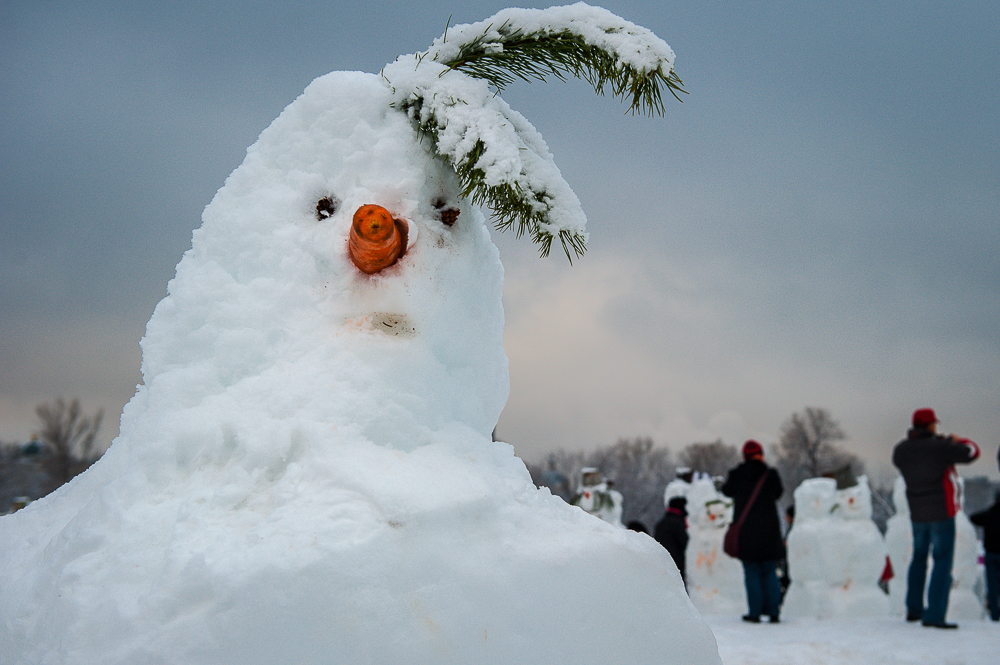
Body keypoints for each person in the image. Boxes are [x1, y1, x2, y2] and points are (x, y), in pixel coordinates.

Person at [891, 407, 980, 629]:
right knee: (941, 562)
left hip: (917, 513)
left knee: (918, 559)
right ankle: (935, 614)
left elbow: (903, 461)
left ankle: (914, 609)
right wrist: (958, 440)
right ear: (930, 425)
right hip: (941, 511)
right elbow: (972, 452)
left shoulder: (901, 450)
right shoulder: (940, 447)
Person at [722, 440, 785, 623]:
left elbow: (727, 491)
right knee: (770, 572)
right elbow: (778, 493)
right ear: (761, 453)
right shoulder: (770, 474)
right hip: (769, 531)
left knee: (751, 572)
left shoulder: (737, 474)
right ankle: (773, 612)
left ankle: (755, 613)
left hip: (747, 532)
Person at [970, 489, 1000, 621]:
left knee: (992, 586)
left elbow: (973, 518)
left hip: (991, 554)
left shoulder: (989, 514)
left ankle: (994, 614)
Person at [654, 496, 689, 587]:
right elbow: (685, 542)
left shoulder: (660, 523)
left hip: (662, 563)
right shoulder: (678, 523)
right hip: (676, 563)